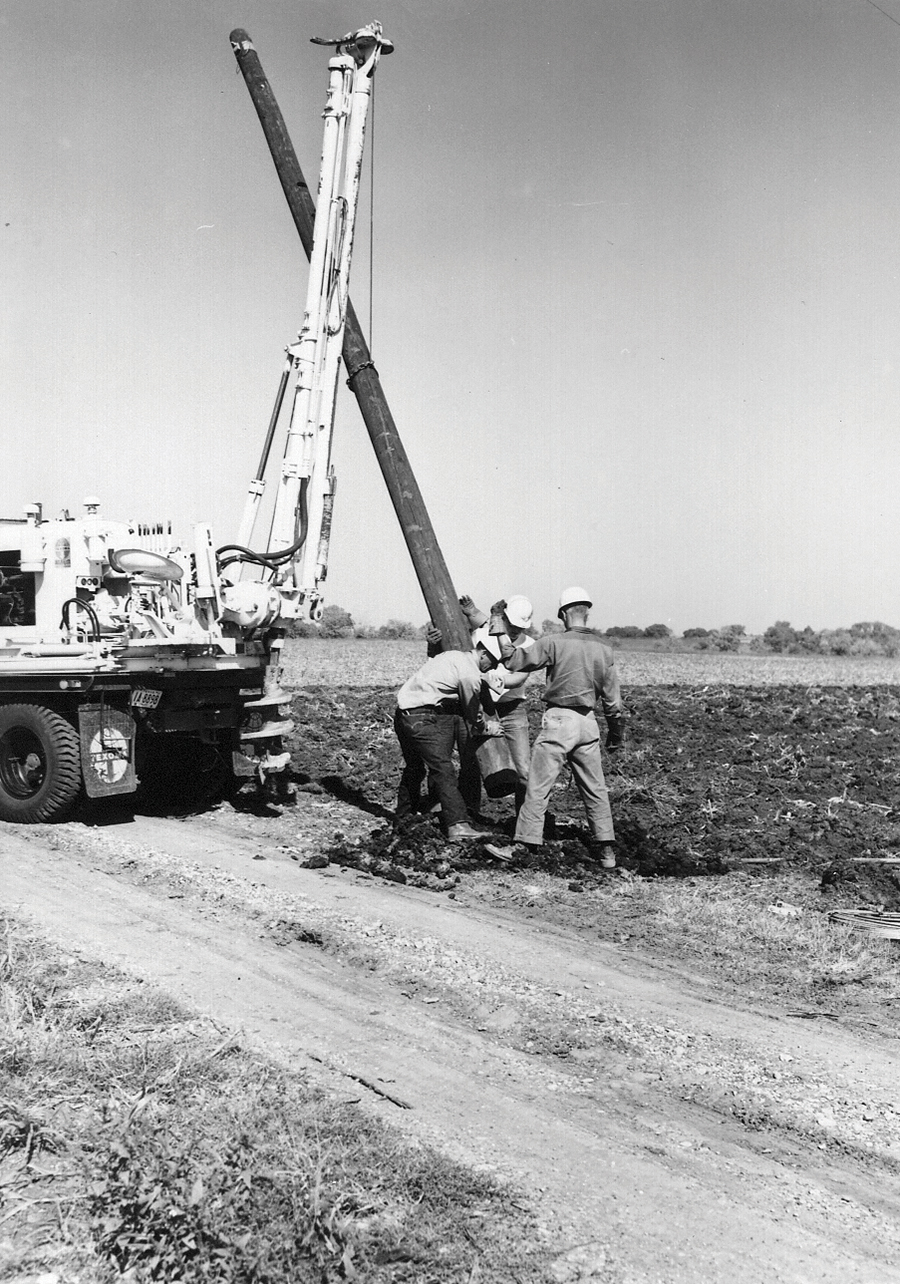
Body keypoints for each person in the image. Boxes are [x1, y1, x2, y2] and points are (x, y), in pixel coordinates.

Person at [485, 587, 626, 868]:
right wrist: (616, 734)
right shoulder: (604, 649)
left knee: (538, 786)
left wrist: (498, 624)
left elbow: (512, 660)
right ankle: (607, 852)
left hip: (559, 721)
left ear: (563, 614)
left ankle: (523, 846)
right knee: (595, 789)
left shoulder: (554, 643)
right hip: (588, 724)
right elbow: (614, 702)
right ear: (587, 612)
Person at [393, 636, 504, 841]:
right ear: (484, 654)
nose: (491, 668)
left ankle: (403, 819)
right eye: (493, 663)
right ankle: (457, 825)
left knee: (414, 768)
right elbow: (472, 716)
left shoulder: (452, 656)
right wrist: (487, 727)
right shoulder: (470, 675)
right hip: (421, 717)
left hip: (402, 714)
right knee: (443, 768)